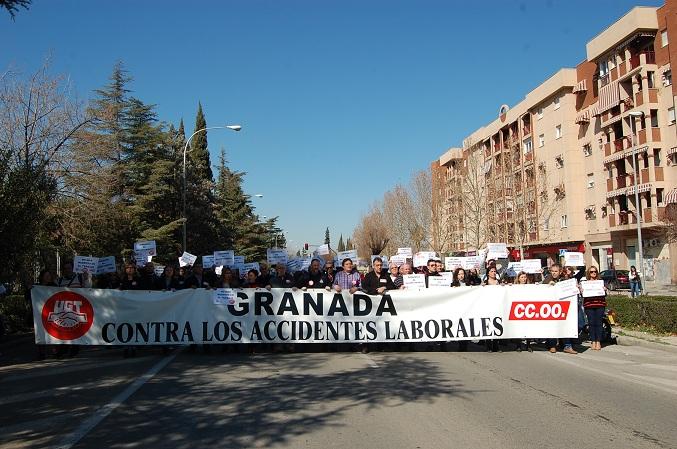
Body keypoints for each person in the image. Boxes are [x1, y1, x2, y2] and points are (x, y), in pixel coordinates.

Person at [542, 263, 577, 354]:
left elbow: (571, 289)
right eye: (552, 271)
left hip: (564, 307)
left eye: (556, 271)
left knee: (566, 325)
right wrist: (548, 286)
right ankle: (552, 345)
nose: (554, 273)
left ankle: (567, 346)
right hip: (551, 307)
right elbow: (542, 290)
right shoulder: (547, 279)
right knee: (552, 326)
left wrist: (575, 287)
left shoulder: (565, 279)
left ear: (560, 271)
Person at [583, 267, 608, 350]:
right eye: (591, 272)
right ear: (588, 273)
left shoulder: (600, 282)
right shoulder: (585, 283)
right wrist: (581, 290)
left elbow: (605, 294)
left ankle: (598, 341)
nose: (593, 273)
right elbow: (582, 295)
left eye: (595, 271)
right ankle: (593, 341)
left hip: (600, 304)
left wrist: (605, 290)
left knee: (599, 323)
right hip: (589, 305)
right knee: (591, 323)